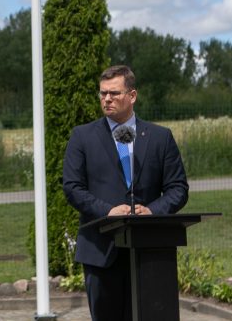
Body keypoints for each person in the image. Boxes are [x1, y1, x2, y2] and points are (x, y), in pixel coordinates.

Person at [63, 65, 189, 321]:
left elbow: (178, 189)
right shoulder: (82, 137)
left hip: (149, 252)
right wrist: (107, 211)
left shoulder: (160, 137)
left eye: (114, 93)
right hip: (101, 250)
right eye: (102, 94)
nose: (106, 99)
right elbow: (73, 187)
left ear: (132, 96)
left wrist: (153, 210)